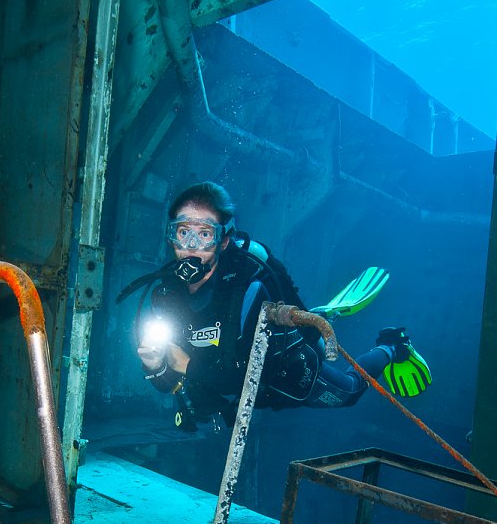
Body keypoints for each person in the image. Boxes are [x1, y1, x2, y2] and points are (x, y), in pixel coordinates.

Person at [133, 181, 431, 431]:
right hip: (222, 387)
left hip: (284, 372)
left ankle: (392, 347)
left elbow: (241, 377)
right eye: (183, 232)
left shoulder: (247, 289)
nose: (192, 245)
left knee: (349, 392)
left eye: (205, 234)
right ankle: (318, 315)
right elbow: (169, 382)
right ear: (171, 236)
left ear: (223, 241)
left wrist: (182, 362)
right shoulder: (165, 295)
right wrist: (154, 364)